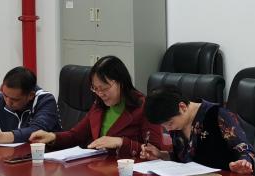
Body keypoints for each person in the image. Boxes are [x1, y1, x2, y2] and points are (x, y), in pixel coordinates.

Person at [28, 56, 166, 157]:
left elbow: (155, 150)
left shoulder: (143, 107)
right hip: (99, 169)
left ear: (121, 82)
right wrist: (52, 137)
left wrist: (121, 142)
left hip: (130, 173)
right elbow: (76, 135)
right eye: (95, 89)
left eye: (104, 88)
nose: (100, 94)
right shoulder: (99, 105)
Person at [143, 85, 255, 174]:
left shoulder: (218, 115)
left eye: (170, 123)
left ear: (182, 107)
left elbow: (245, 149)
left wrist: (244, 163)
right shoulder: (178, 125)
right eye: (164, 126)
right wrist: (160, 154)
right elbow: (182, 158)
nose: (168, 129)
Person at [0, 66, 59, 144]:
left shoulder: (46, 100)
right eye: (5, 95)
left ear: (30, 95)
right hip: (14, 155)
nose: (8, 102)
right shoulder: (1, 99)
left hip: (46, 155)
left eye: (15, 99)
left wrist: (2, 137)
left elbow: (37, 132)